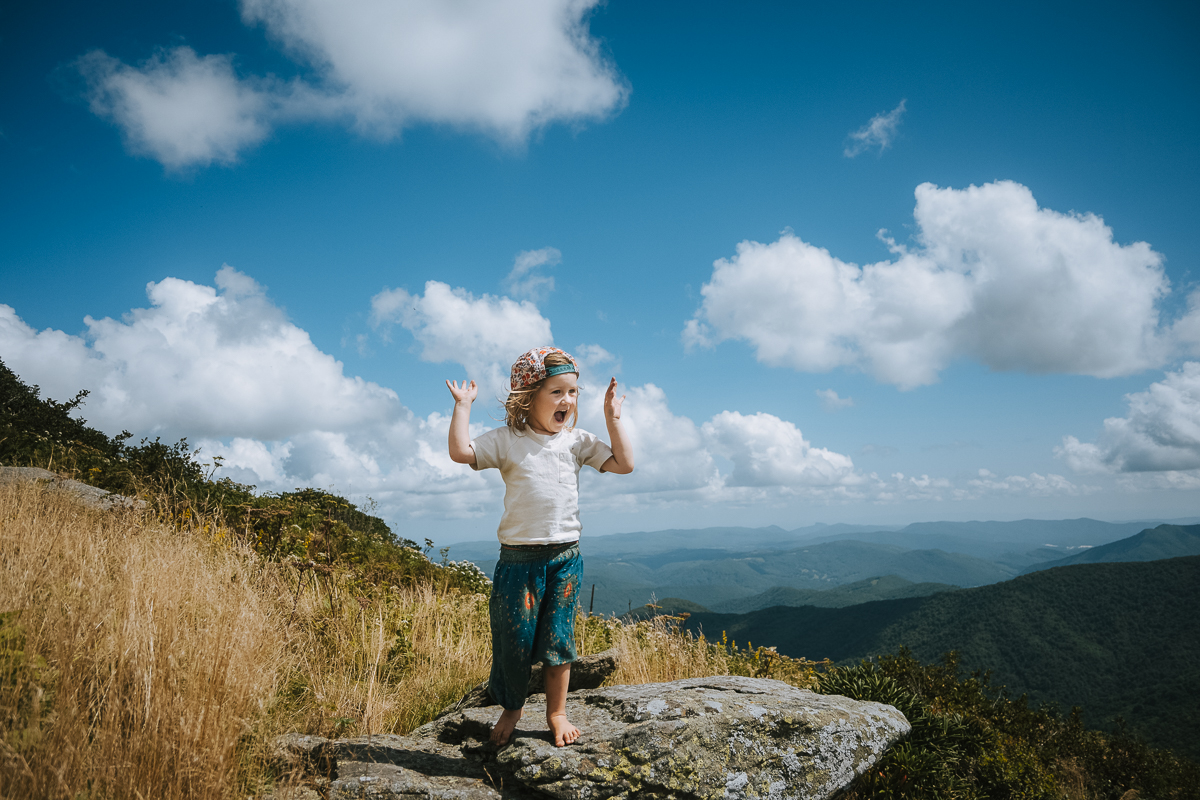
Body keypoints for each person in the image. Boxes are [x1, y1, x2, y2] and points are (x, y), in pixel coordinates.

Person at [446, 346, 634, 748]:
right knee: (514, 642)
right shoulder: (508, 441)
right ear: (528, 397)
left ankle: (557, 713)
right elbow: (461, 452)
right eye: (557, 392)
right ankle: (512, 709)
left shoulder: (577, 441)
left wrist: (612, 419)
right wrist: (463, 406)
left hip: (565, 557)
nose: (567, 400)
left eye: (573, 392)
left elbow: (624, 463)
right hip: (519, 561)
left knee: (558, 640)